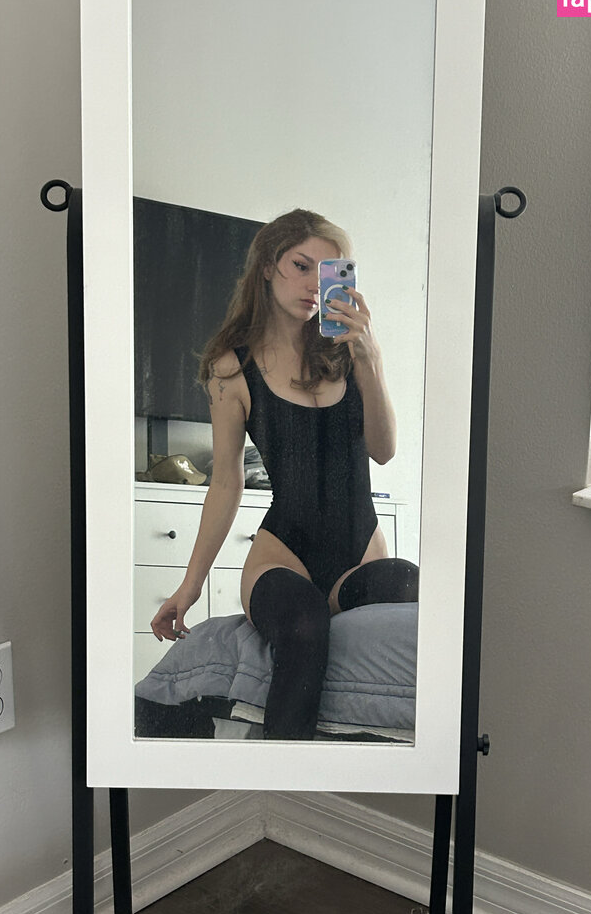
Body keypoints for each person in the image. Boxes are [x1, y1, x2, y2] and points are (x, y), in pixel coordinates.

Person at [150, 208, 418, 740]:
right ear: (269, 266)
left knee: (414, 588)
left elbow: (384, 451)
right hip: (282, 556)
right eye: (301, 265)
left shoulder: (348, 354)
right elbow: (226, 482)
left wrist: (371, 358)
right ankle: (280, 777)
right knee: (303, 626)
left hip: (361, 554)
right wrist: (190, 585)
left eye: (328, 271)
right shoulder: (232, 368)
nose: (313, 284)